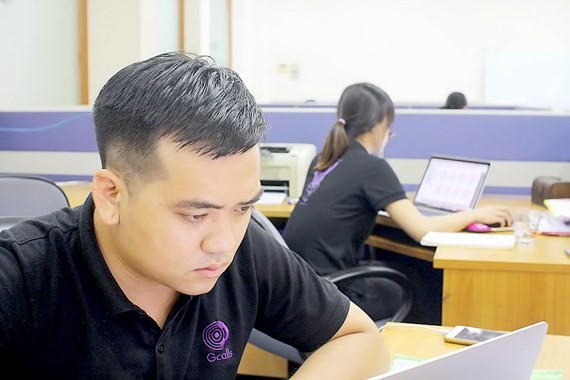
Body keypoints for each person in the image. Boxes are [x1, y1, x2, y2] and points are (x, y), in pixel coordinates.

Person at [0, 53, 389, 378]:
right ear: (112, 195)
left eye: (243, 208)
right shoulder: (20, 277)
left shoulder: (245, 250)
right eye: (194, 215)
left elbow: (357, 336)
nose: (222, 244)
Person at [282, 83, 511, 321]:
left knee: (408, 271)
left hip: (304, 289)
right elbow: (423, 230)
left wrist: (404, 200)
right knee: (425, 285)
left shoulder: (324, 159)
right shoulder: (372, 167)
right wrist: (474, 214)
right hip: (334, 295)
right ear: (381, 124)